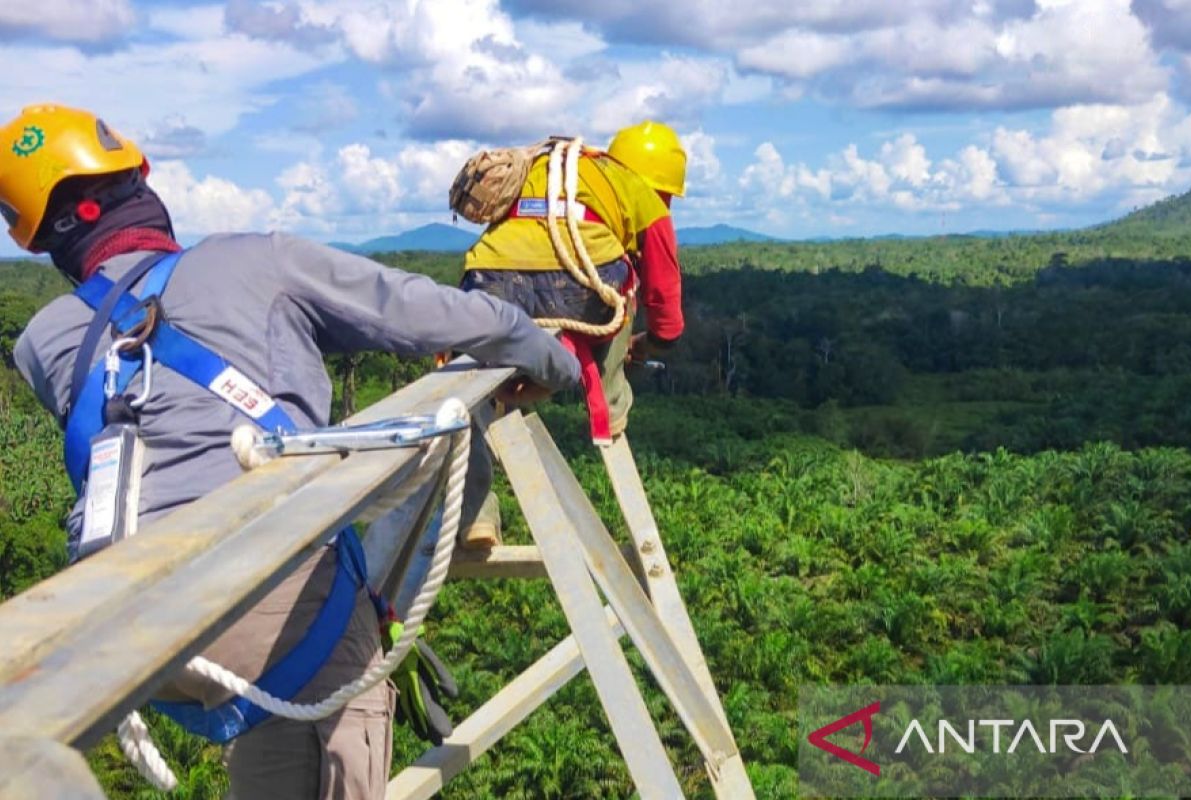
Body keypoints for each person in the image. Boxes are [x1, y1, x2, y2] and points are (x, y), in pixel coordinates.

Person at [0, 103, 580, 799]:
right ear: (140, 188)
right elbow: (441, 316)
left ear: (45, 241)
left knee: (270, 731)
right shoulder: (258, 260)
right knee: (319, 702)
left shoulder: (42, 341)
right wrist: (558, 365)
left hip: (119, 630)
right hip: (269, 598)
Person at [457, 120, 687, 547]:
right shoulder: (637, 191)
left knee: (470, 390)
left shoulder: (547, 170)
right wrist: (649, 345)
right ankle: (610, 407)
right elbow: (665, 303)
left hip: (486, 281)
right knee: (626, 284)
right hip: (580, 289)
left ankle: (476, 517)